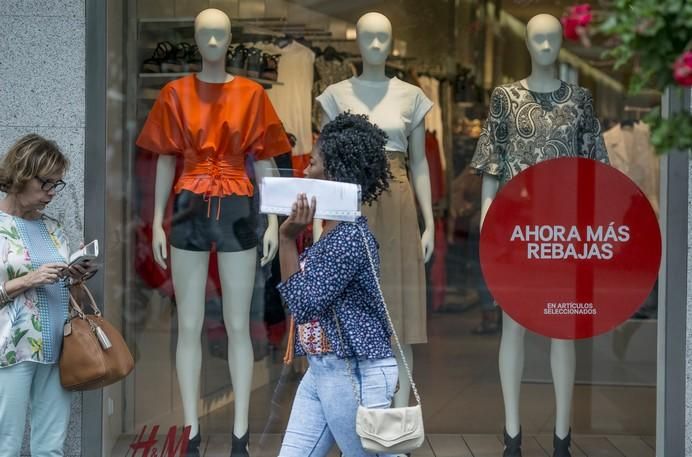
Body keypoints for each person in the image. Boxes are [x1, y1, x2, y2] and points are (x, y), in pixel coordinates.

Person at [277, 112, 398, 457]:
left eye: (312, 164)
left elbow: (303, 305)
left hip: (353, 370)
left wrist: (287, 241)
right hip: (326, 367)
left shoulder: (348, 236)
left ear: (333, 175)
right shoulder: (334, 230)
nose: (305, 171)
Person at [0, 134, 96, 456]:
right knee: (6, 444)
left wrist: (76, 279)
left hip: (57, 348)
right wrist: (29, 279)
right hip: (10, 350)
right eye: (46, 184)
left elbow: (68, 295)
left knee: (51, 448)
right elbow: (30, 282)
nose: (51, 194)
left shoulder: (53, 228)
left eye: (57, 185)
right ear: (22, 174)